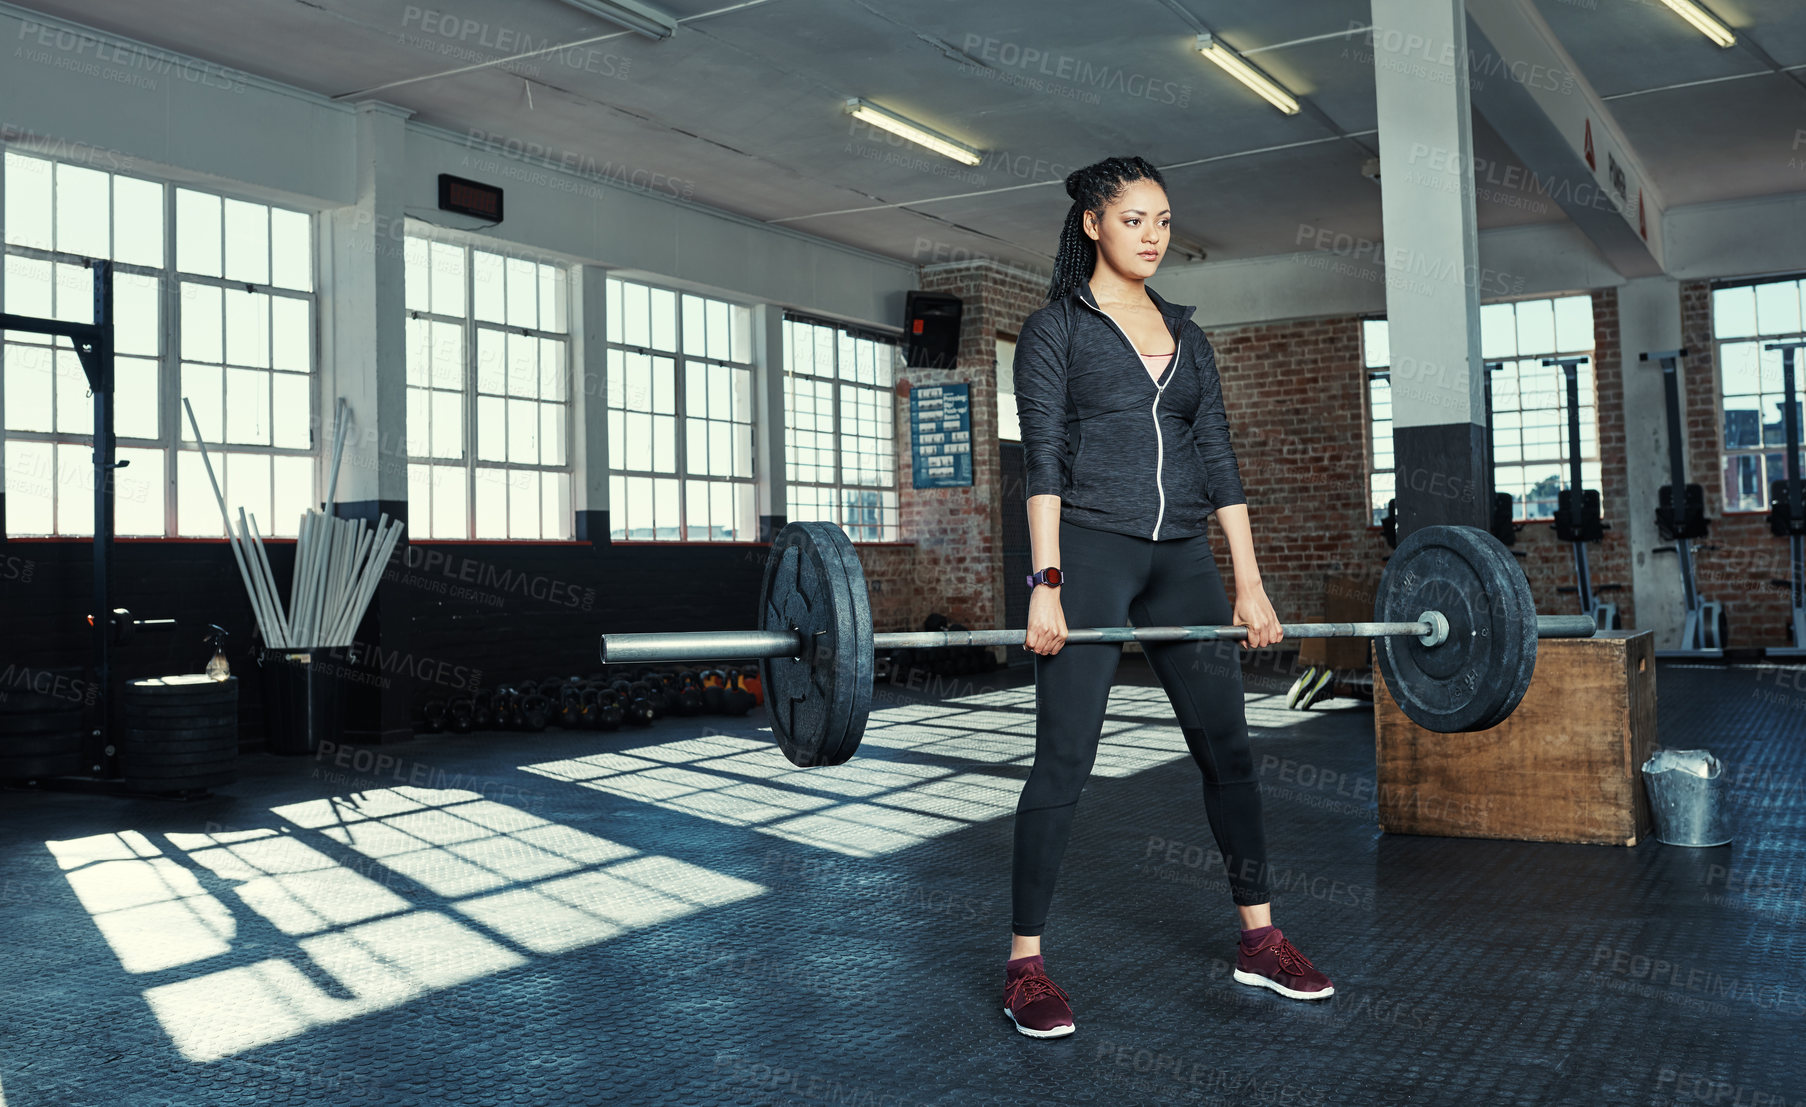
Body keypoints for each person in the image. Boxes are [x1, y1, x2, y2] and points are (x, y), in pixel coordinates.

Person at [1002, 156, 1333, 1039]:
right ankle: (1024, 962)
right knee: (1065, 757)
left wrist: (1250, 582)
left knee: (1228, 746)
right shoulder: (1055, 330)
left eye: (1163, 220)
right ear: (1091, 226)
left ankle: (1259, 939)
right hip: (1093, 548)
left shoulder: (1188, 333)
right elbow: (1043, 461)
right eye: (1135, 218)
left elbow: (1218, 457)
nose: (1154, 235)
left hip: (1183, 551)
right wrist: (1047, 583)